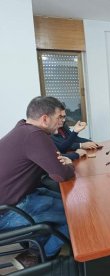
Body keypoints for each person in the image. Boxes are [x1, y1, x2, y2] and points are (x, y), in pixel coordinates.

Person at [0, 96, 75, 269]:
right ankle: (37, 258)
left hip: (15, 199)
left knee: (65, 201)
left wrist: (61, 162)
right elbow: (61, 174)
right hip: (7, 212)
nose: (62, 123)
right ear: (45, 118)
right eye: (60, 117)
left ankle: (36, 249)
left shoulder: (22, 129)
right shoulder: (35, 136)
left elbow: (52, 163)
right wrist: (69, 165)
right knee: (76, 216)